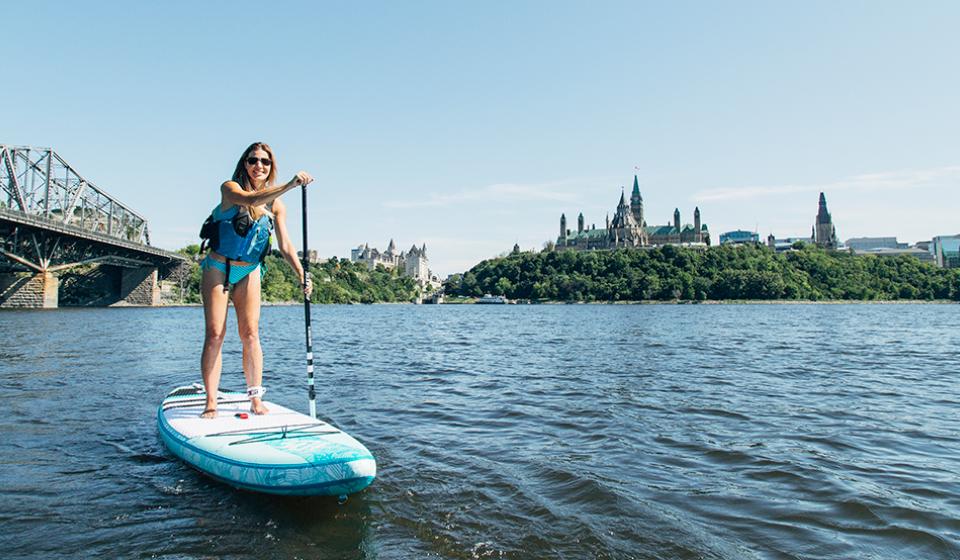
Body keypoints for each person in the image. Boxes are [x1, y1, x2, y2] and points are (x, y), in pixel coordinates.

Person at [198, 142, 314, 418]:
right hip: (219, 267)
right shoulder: (230, 188)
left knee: (250, 334)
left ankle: (255, 399)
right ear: (244, 163)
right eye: (253, 160)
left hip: (250, 270)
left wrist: (302, 275)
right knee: (215, 334)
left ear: (271, 166)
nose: (259, 166)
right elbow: (250, 202)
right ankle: (211, 402)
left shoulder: (277, 205)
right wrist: (290, 184)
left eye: (265, 161)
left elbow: (285, 245)